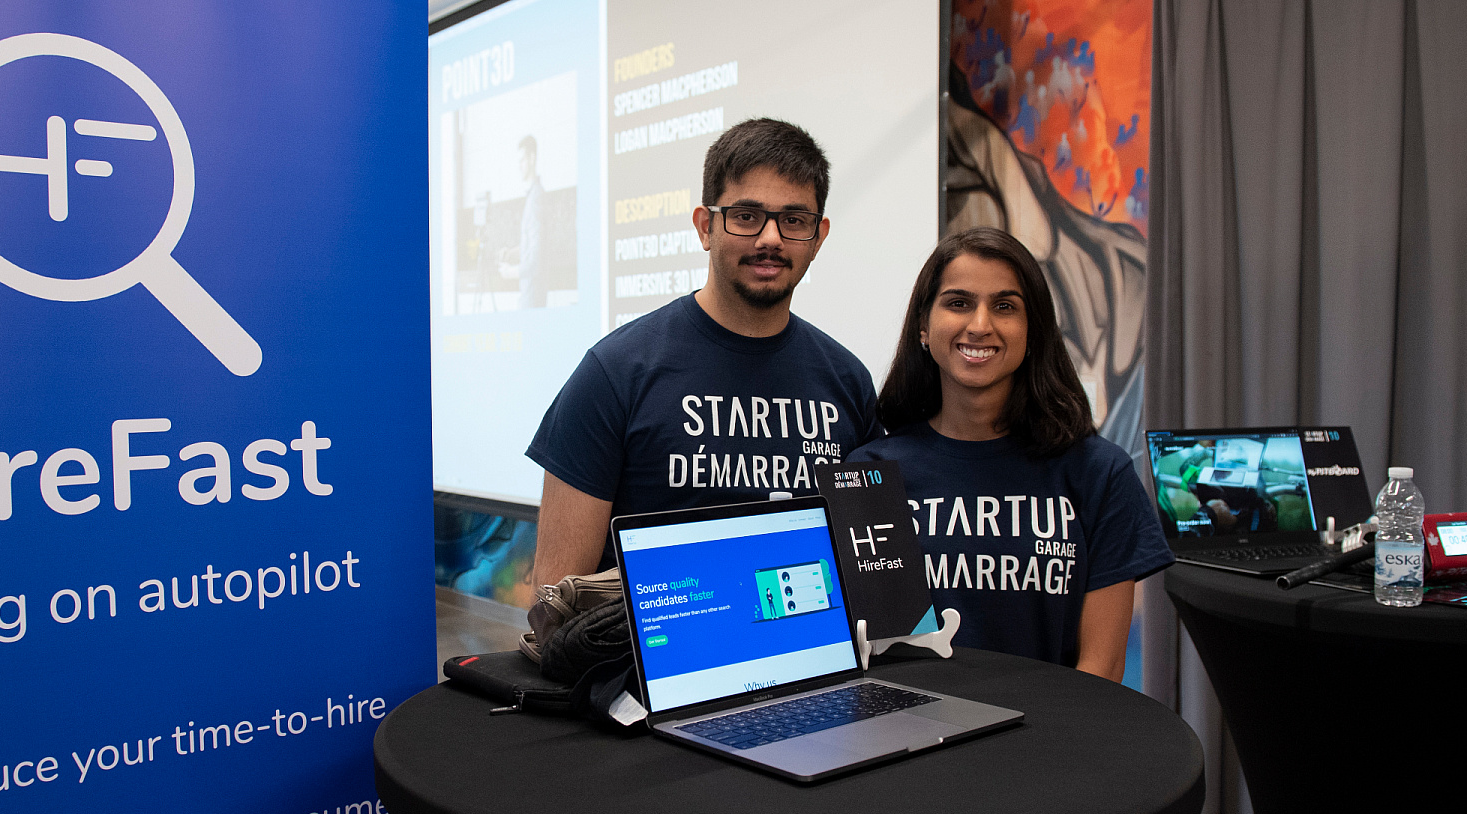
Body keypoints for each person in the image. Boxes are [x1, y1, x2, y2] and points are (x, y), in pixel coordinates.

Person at [525, 118, 883, 586]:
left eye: (794, 220)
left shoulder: (847, 382)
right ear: (705, 226)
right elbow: (553, 600)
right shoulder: (614, 374)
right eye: (746, 216)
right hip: (649, 659)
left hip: (813, 657)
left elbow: (872, 576)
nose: (771, 238)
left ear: (818, 237)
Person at [848, 227, 1171, 681]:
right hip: (915, 739)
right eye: (958, 302)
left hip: (1049, 742)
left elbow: (1101, 668)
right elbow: (870, 658)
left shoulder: (1099, 473)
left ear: (1032, 330)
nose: (980, 325)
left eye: (1005, 306)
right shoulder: (870, 475)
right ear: (924, 326)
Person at [498, 136, 547, 310]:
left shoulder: (536, 199)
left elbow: (535, 258)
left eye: (522, 160)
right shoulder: (532, 196)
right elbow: (531, 244)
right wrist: (512, 252)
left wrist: (509, 272)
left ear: (532, 159)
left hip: (533, 296)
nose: (519, 166)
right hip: (528, 295)